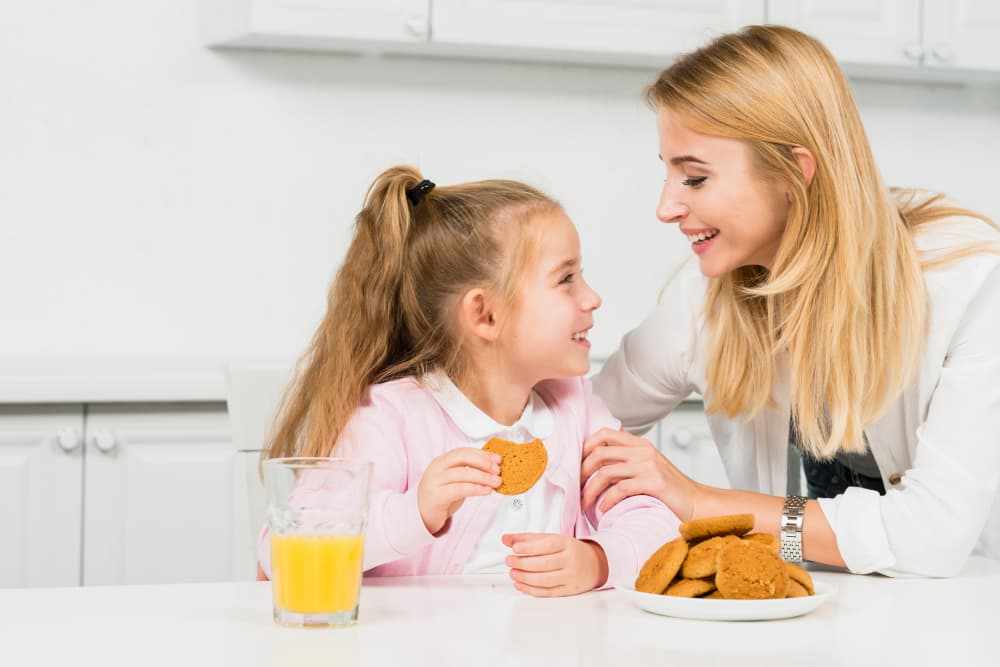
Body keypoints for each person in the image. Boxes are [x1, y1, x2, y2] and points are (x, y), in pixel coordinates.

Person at [582, 25, 1000, 578]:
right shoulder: (705, 297)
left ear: (793, 174)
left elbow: (931, 539)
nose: (666, 207)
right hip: (792, 612)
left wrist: (701, 503)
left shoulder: (969, 284)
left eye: (695, 177)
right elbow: (581, 435)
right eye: (669, 173)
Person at [257, 166, 679, 596]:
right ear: (485, 315)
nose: (592, 298)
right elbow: (280, 552)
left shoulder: (578, 408)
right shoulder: (391, 418)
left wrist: (599, 559)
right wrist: (415, 512)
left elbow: (656, 518)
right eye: (566, 279)